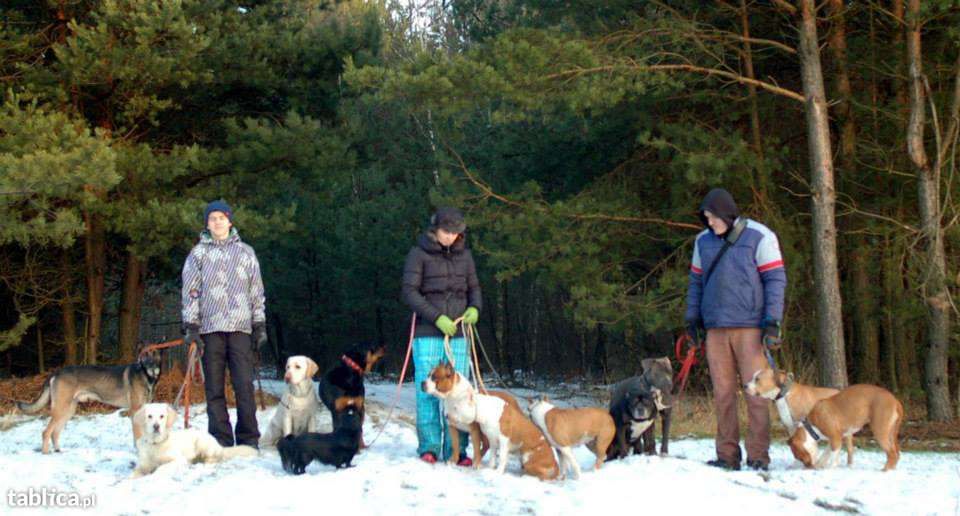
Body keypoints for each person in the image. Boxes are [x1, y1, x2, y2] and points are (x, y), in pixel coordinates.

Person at [684, 188, 786, 471]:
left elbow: (775, 280)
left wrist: (772, 321)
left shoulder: (760, 236)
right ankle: (727, 455)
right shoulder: (702, 241)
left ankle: (758, 456)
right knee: (723, 393)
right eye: (706, 218)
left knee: (756, 394)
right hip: (716, 329)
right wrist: (692, 320)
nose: (709, 223)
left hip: (751, 328)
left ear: (726, 213)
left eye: (713, 217)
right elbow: (696, 283)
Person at [181, 200, 267, 449]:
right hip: (210, 330)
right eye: (212, 218)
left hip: (241, 328)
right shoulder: (198, 254)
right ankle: (220, 439)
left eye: (221, 217)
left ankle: (249, 439)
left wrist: (259, 323)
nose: (217, 222)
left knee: (244, 386)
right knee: (214, 389)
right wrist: (192, 326)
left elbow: (256, 291)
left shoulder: (246, 252)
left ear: (230, 221)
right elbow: (191, 291)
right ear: (207, 223)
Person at [401, 207, 482, 465]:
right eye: (447, 232)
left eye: (455, 233)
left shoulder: (466, 256)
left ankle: (457, 451)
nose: (450, 237)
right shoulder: (418, 254)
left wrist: (474, 308)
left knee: (460, 392)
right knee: (428, 390)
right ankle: (430, 447)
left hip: (459, 332)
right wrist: (437, 317)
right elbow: (409, 292)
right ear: (435, 229)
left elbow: (474, 287)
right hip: (427, 332)